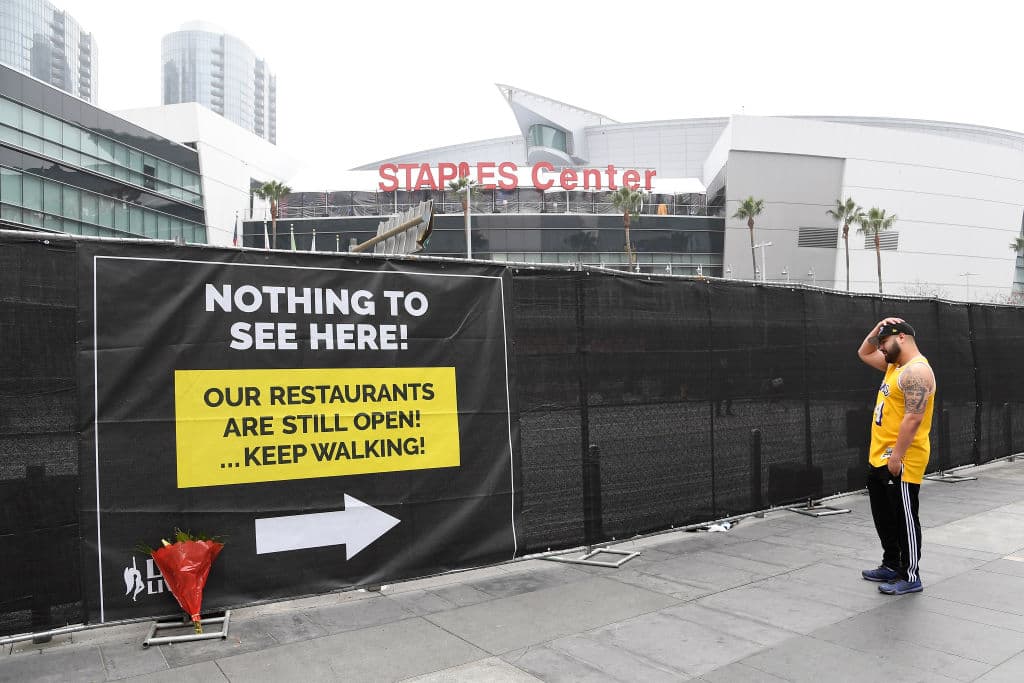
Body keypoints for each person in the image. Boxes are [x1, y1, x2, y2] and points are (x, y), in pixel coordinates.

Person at [856, 317, 936, 595]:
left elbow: (913, 419)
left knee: (904, 517)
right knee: (884, 515)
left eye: (884, 342)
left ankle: (910, 574)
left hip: (902, 459)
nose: (880, 348)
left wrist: (897, 457)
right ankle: (891, 564)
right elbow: (863, 353)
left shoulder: (917, 372)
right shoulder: (894, 366)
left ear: (901, 337)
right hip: (880, 456)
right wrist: (877, 327)